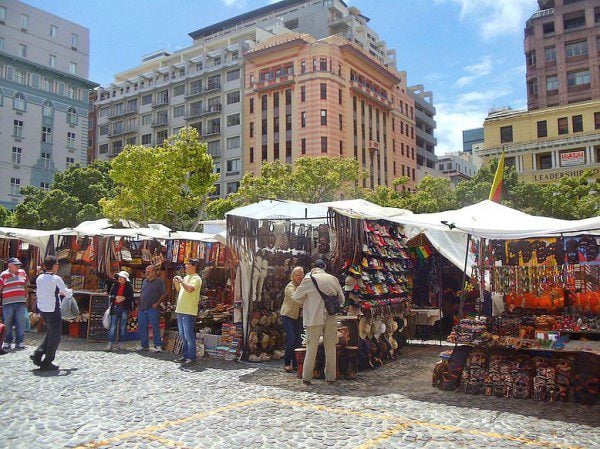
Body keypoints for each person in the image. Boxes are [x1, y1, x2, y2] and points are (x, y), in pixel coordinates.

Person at [292, 259, 344, 385]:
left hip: (313, 317)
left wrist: (309, 301)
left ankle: (307, 377)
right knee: (330, 347)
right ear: (324, 268)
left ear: (314, 268)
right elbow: (341, 300)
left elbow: (296, 296)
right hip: (331, 317)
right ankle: (331, 377)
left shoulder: (309, 279)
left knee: (311, 348)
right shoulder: (333, 279)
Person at [31, 255, 71, 371]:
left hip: (42, 309)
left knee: (50, 333)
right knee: (55, 336)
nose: (58, 267)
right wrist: (70, 292)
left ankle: (38, 353)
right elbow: (66, 293)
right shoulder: (56, 279)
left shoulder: (40, 278)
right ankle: (48, 361)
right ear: (53, 266)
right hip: (53, 309)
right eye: (57, 265)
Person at [173, 259, 202, 365]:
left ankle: (191, 357)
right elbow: (180, 290)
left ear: (194, 266)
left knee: (188, 335)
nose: (185, 266)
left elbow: (190, 289)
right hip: (180, 310)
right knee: (182, 335)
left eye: (188, 264)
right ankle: (185, 355)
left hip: (189, 311)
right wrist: (177, 282)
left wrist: (181, 281)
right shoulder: (186, 277)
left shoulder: (196, 278)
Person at [0, 257, 29, 351]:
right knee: (7, 322)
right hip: (8, 302)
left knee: (20, 322)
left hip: (20, 301)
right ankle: (7, 341)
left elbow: (25, 285)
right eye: (15, 264)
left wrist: (26, 294)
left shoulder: (22, 272)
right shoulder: (3, 275)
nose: (17, 266)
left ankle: (19, 341)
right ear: (9, 265)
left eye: (18, 265)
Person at [280, 266, 304, 373]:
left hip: (297, 316)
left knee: (298, 340)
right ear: (293, 276)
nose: (300, 276)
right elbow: (296, 298)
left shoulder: (302, 286)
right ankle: (286, 363)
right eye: (298, 274)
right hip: (288, 315)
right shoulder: (290, 287)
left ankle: (295, 363)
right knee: (291, 338)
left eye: (301, 274)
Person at [137, 265, 166, 352]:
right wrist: (138, 305)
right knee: (142, 327)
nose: (147, 273)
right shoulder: (145, 281)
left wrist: (157, 303)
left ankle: (157, 345)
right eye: (146, 272)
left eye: (149, 272)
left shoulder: (159, 282)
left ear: (154, 272)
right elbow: (142, 293)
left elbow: (163, 294)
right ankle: (144, 345)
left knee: (155, 327)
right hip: (142, 308)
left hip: (152, 308)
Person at [106, 271, 134, 351]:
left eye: (122, 278)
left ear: (125, 279)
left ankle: (121, 343)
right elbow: (110, 296)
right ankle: (110, 343)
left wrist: (124, 299)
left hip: (124, 308)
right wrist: (115, 298)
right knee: (113, 326)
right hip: (115, 307)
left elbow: (131, 297)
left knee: (122, 327)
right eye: (119, 278)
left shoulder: (129, 287)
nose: (120, 279)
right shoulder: (115, 285)